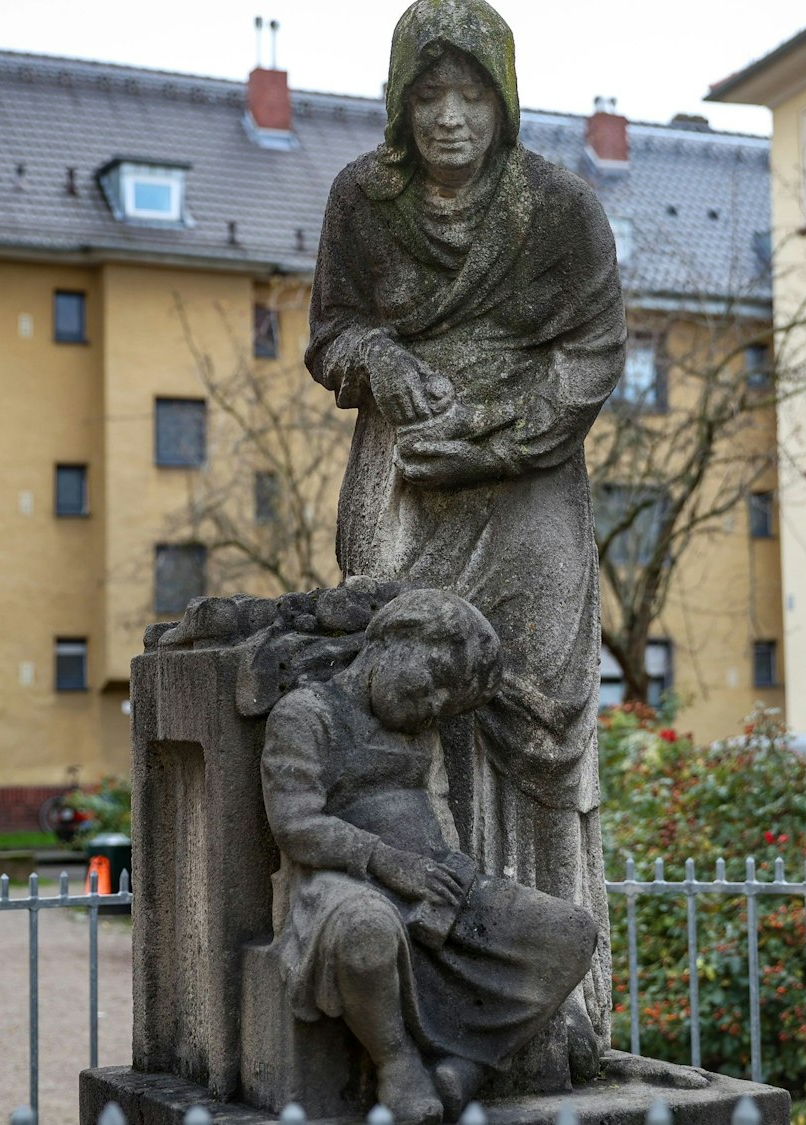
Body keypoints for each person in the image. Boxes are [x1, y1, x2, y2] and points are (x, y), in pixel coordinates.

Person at [305, 0, 622, 1069]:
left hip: (528, 486)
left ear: (502, 98)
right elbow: (330, 335)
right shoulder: (361, 199)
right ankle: (422, 995)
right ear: (401, 103)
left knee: (535, 726)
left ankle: (552, 1002)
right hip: (405, 478)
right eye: (428, 95)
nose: (449, 118)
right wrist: (380, 362)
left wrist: (505, 439)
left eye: (469, 93)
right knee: (400, 713)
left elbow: (593, 348)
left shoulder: (559, 207)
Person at [262, 590, 598, 1124]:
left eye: (449, 701)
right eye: (433, 684)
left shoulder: (421, 730)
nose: (437, 705)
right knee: (366, 931)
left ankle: (467, 1061)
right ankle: (397, 1060)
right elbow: (296, 824)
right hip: (340, 882)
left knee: (571, 933)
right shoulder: (308, 715)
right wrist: (386, 862)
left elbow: (436, 810)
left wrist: (453, 867)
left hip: (429, 880)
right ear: (391, 640)